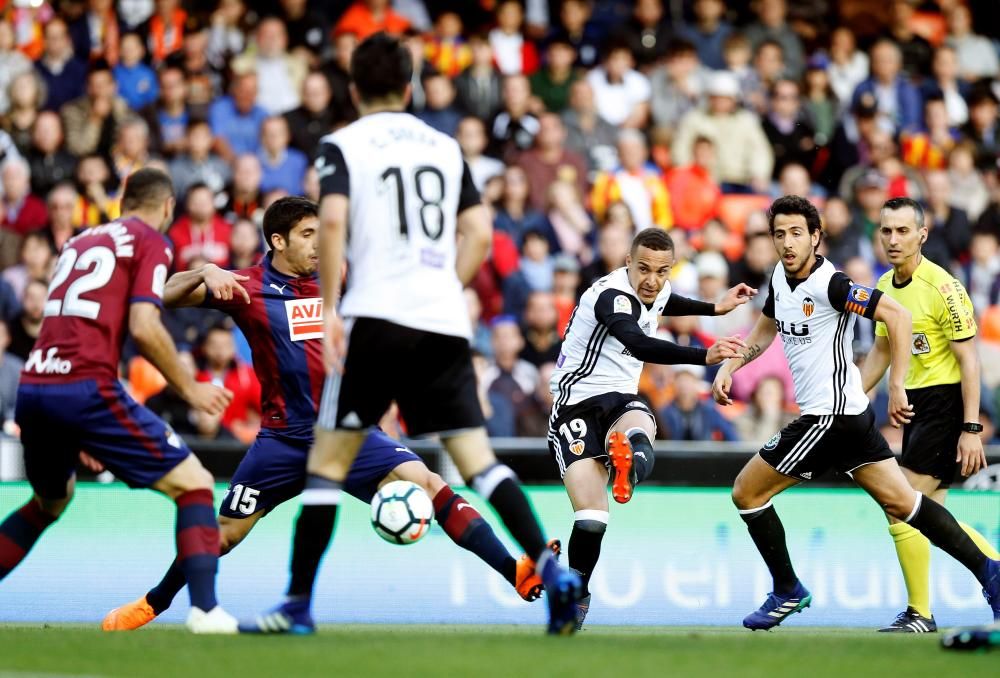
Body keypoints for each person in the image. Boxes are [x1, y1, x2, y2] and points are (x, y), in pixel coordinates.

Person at [247, 33, 583, 636]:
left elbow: (330, 220)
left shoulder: (342, 144)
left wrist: (328, 308)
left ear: (353, 90)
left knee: (326, 468)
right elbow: (477, 234)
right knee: (478, 462)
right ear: (409, 87)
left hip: (377, 317)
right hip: (440, 322)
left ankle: (297, 606)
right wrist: (442, 290)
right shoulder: (445, 146)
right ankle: (554, 572)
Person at [102, 197, 551, 630]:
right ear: (277, 241)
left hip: (346, 429)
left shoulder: (338, 280)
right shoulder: (245, 286)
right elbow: (156, 297)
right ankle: (152, 604)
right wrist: (203, 270)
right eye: (307, 234)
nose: (319, 244)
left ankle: (515, 570)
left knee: (431, 483)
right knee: (223, 534)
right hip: (282, 439)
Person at [711, 195, 1000, 631]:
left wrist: (897, 384)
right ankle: (990, 573)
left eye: (796, 234)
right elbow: (766, 328)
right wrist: (731, 365)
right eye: (779, 234)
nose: (787, 243)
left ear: (816, 237)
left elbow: (897, 318)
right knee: (905, 503)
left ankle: (787, 588)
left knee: (746, 492)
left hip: (829, 418)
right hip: (850, 415)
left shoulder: (834, 284)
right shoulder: (779, 277)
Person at [0, 168, 238, 633]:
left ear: (124, 198)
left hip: (36, 387)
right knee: (194, 483)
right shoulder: (150, 239)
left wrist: (198, 273)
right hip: (86, 389)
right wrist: (191, 389)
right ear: (168, 207)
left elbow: (121, 302)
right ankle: (207, 612)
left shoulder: (82, 241)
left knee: (50, 501)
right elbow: (144, 326)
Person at [550, 227, 752, 629]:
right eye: (643, 269)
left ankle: (628, 466)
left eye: (662, 271)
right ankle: (578, 589)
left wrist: (714, 308)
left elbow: (664, 300)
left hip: (620, 399)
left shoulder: (655, 287)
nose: (652, 280)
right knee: (592, 518)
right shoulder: (610, 296)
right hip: (575, 406)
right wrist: (703, 354)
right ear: (627, 262)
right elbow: (638, 342)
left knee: (642, 424)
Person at [858, 197, 1000, 633]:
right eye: (886, 231)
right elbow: (882, 349)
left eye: (903, 231)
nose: (893, 239)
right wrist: (847, 398)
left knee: (899, 504)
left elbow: (970, 360)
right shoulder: (884, 284)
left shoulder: (944, 288)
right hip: (917, 407)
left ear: (922, 234)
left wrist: (971, 428)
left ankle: (920, 612)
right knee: (934, 518)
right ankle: (989, 576)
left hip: (946, 403)